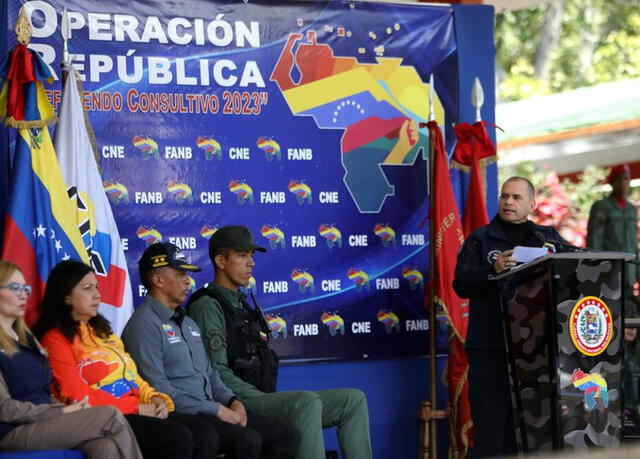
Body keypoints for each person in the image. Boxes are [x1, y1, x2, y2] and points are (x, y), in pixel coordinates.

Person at [186, 225, 372, 459]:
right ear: (220, 261)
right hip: (235, 401)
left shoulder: (242, 304)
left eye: (251, 256)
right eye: (242, 256)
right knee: (306, 402)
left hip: (259, 396)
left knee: (352, 400)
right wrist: (256, 398)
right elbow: (215, 370)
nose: (251, 263)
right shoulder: (208, 305)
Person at [122, 242, 299, 459]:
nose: (188, 280)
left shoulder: (187, 321)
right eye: (180, 274)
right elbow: (157, 388)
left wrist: (233, 401)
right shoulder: (143, 325)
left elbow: (211, 374)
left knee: (285, 433)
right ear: (158, 280)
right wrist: (216, 410)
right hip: (183, 414)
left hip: (210, 410)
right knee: (246, 441)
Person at [33, 260, 211, 459]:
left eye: (97, 287)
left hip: (134, 408)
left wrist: (154, 398)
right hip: (101, 417)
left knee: (203, 434)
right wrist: (137, 407)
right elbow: (77, 396)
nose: (97, 294)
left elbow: (132, 376)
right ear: (66, 296)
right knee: (177, 437)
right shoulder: (56, 338)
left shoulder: (102, 331)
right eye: (87, 288)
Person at [453, 176, 567, 458]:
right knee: (491, 425)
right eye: (505, 196)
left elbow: (575, 270)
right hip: (491, 346)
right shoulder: (481, 239)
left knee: (534, 424)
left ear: (531, 204)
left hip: (536, 348)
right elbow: (461, 284)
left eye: (516, 198)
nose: (508, 202)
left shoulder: (547, 238)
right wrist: (493, 269)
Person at [0, 260, 142, 458]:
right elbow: (4, 409)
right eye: (14, 287)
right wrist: (60, 412)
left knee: (105, 446)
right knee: (109, 415)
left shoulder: (26, 339)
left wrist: (69, 409)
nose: (23, 293)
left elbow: (42, 391)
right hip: (11, 431)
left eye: (25, 288)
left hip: (43, 420)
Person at [587, 163, 639, 300]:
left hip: (630, 271)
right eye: (619, 179)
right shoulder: (602, 207)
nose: (623, 183)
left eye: (626, 179)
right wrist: (596, 269)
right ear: (612, 183)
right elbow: (594, 240)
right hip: (609, 272)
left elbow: (634, 242)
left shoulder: (631, 209)